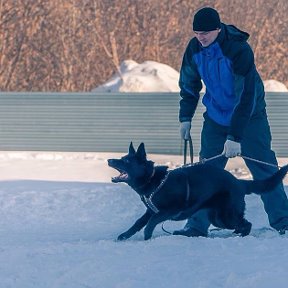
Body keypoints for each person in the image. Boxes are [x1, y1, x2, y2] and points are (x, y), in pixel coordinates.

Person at [176, 7, 288, 237]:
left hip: (250, 117)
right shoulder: (194, 48)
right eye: (197, 32)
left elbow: (245, 97)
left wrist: (235, 136)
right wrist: (185, 117)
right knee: (205, 174)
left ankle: (283, 221)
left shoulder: (238, 49)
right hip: (216, 116)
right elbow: (189, 85)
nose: (201, 37)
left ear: (218, 29)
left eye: (206, 32)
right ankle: (196, 226)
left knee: (264, 168)